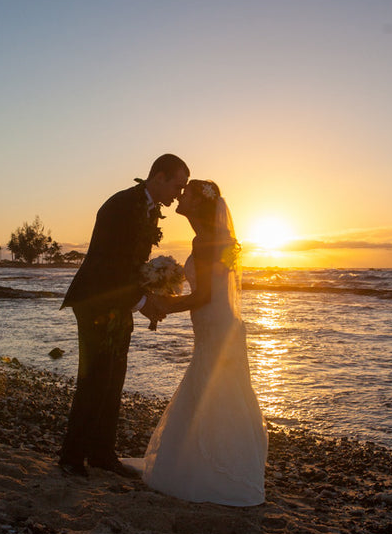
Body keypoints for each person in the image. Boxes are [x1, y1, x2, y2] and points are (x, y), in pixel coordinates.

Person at [124, 180, 267, 506]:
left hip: (215, 325)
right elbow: (215, 289)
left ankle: (208, 472)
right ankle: (226, 467)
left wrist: (162, 305)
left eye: (186, 192)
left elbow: (204, 295)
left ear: (199, 204)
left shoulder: (205, 242)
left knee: (211, 390)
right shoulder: (221, 240)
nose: (180, 194)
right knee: (223, 390)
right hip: (223, 324)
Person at [58, 154, 190, 478]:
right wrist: (144, 300)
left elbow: (132, 266)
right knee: (93, 379)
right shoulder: (122, 205)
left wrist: (150, 289)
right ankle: (71, 456)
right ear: (159, 177)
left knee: (114, 376)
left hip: (119, 302)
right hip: (95, 300)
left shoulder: (149, 210)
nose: (179, 194)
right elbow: (109, 265)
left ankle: (102, 453)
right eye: (178, 184)